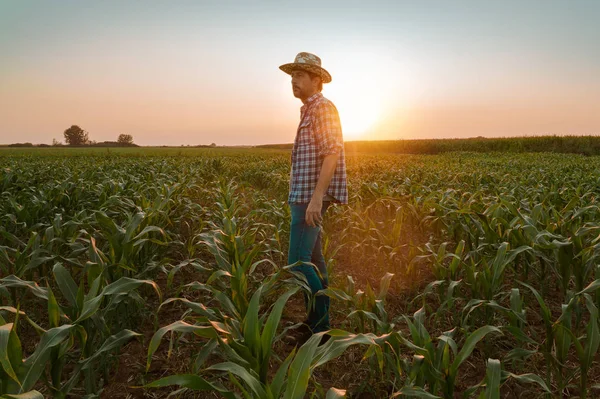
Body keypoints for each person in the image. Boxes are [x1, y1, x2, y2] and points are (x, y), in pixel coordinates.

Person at [279, 52, 348, 341]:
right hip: (303, 196)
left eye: (300, 75)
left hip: (309, 200)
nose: (293, 81)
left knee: (298, 262)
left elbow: (332, 152)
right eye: (292, 76)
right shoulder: (308, 109)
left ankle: (319, 328)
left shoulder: (323, 108)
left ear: (316, 79)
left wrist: (317, 199)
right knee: (315, 261)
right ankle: (319, 326)